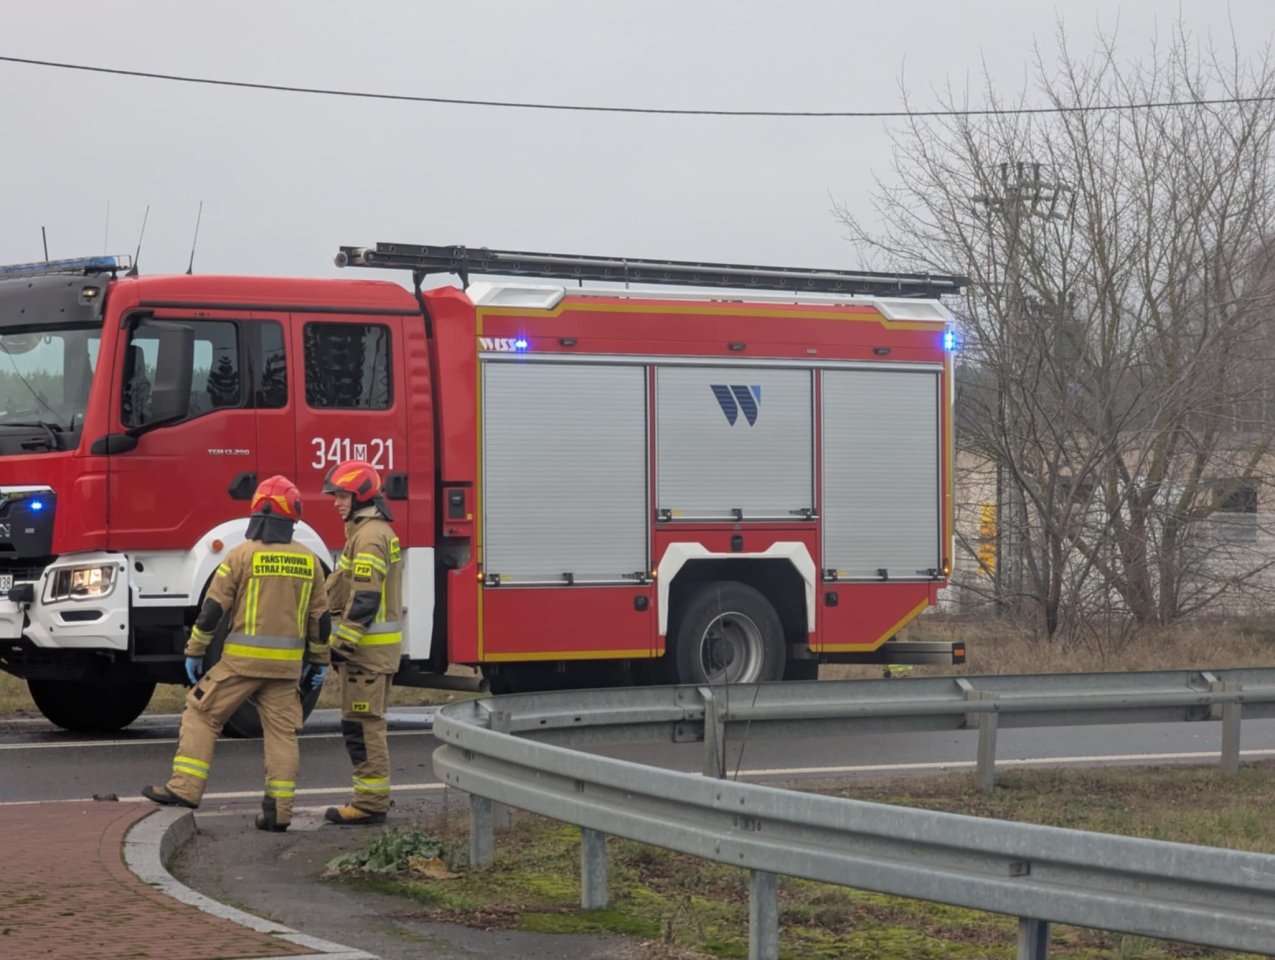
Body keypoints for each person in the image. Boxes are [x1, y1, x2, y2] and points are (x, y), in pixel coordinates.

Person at [141, 475, 330, 832]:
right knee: (282, 735)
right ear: (292, 517)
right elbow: (320, 621)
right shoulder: (309, 561)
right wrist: (318, 663)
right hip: (287, 670)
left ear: (259, 511)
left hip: (241, 664)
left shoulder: (241, 555)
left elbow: (213, 608)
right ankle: (279, 812)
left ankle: (185, 788)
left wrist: (195, 650)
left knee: (201, 713)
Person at [321, 459, 403, 826]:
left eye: (341, 495)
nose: (336, 502)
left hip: (367, 654)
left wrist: (342, 646)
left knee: (363, 727)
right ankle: (372, 797)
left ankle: (370, 803)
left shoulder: (369, 537)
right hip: (373, 653)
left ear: (360, 496)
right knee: (364, 725)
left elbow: (366, 599)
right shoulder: (369, 532)